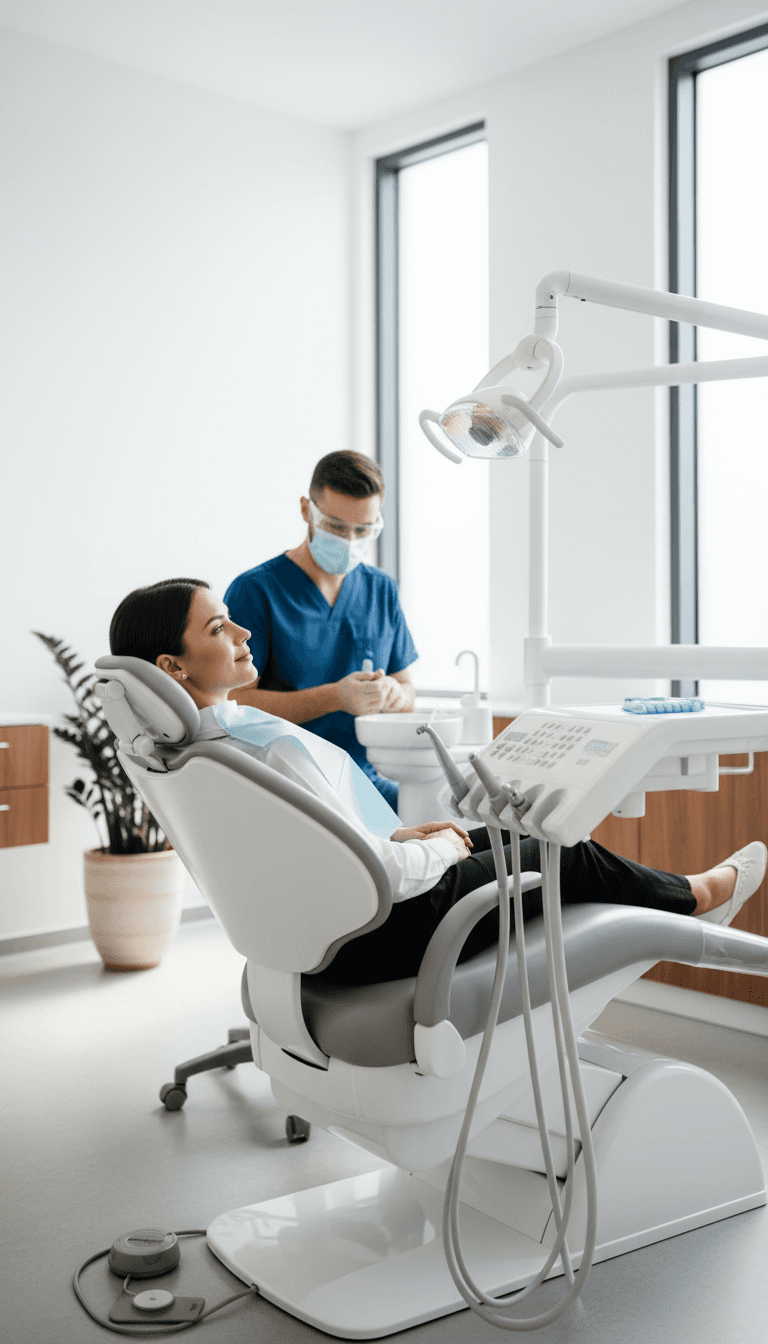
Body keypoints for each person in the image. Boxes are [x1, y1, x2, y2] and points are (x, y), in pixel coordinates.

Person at [109, 578, 768, 986]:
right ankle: (698, 898)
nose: (243, 631)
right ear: (174, 664)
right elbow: (381, 875)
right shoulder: (252, 754)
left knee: (505, 832)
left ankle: (679, 897)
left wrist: (403, 836)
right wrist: (442, 850)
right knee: (561, 851)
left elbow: (312, 848)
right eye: (219, 627)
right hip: (381, 931)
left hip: (333, 929)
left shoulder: (196, 753)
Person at [223, 451, 417, 810]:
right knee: (408, 847)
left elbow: (407, 689)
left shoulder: (381, 590)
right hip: (287, 788)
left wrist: (394, 695)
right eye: (336, 527)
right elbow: (235, 705)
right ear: (305, 510)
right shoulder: (256, 592)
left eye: (364, 530)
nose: (350, 540)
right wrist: (335, 698)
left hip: (360, 784)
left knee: (452, 821)